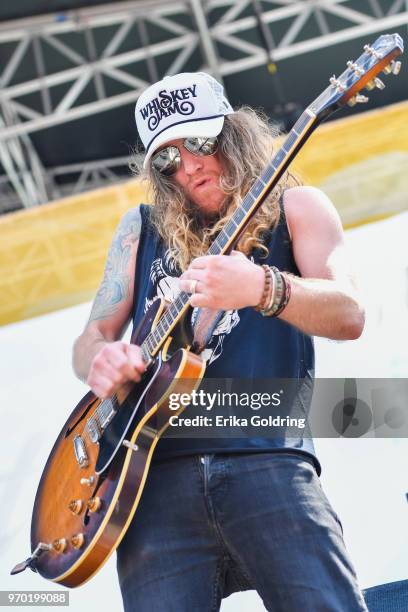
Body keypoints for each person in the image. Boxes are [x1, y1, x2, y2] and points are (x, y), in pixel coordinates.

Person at [72, 72, 367, 611]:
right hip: (149, 484)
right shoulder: (138, 230)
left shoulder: (299, 206)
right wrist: (101, 359)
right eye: (167, 159)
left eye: (201, 143)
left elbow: (350, 313)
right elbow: (91, 337)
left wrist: (263, 286)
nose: (189, 165)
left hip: (269, 458)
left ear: (233, 133)